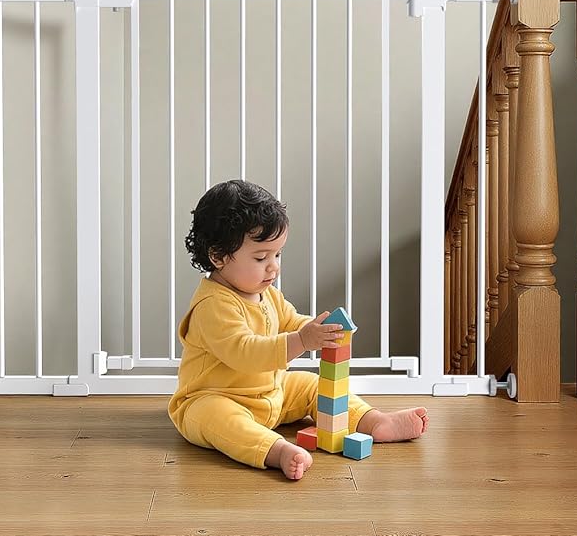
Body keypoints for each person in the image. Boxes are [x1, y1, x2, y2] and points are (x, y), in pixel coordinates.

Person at [168, 180, 429, 480]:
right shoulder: (213, 305)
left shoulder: (266, 294)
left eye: (277, 255)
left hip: (271, 394)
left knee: (312, 384)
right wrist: (302, 341)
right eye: (261, 257)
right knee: (217, 417)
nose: (273, 267)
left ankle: (373, 421)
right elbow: (245, 353)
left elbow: (291, 322)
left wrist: (317, 330)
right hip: (217, 397)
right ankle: (276, 450)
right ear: (218, 257)